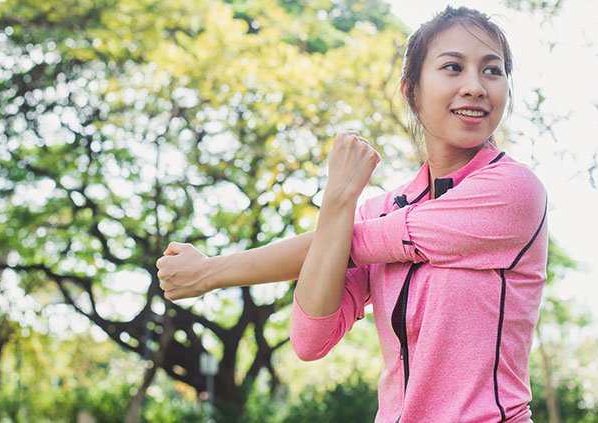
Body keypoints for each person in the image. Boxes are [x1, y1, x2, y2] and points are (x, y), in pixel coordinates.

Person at [155, 6, 547, 422]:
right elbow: (311, 339)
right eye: (453, 67)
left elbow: (356, 243)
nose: (475, 87)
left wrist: (210, 273)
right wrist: (338, 200)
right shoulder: (381, 210)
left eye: (493, 70)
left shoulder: (511, 191)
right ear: (411, 91)